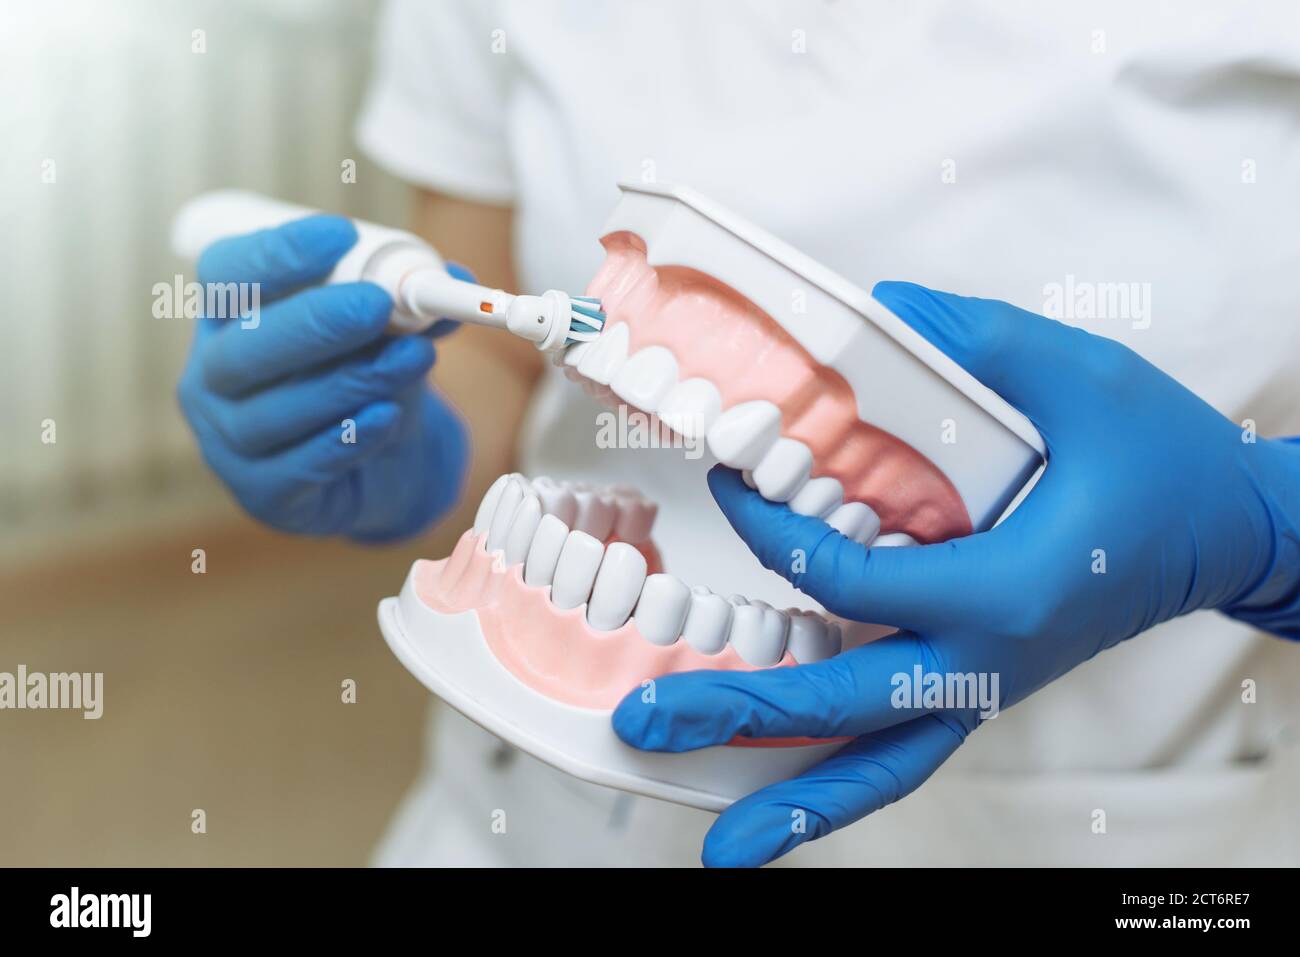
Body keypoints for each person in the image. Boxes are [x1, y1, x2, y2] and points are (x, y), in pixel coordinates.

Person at [177, 1, 1300, 866]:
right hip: (536, 813)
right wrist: (398, 433)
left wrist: (1266, 524)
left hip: (1140, 829)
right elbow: (504, 337)